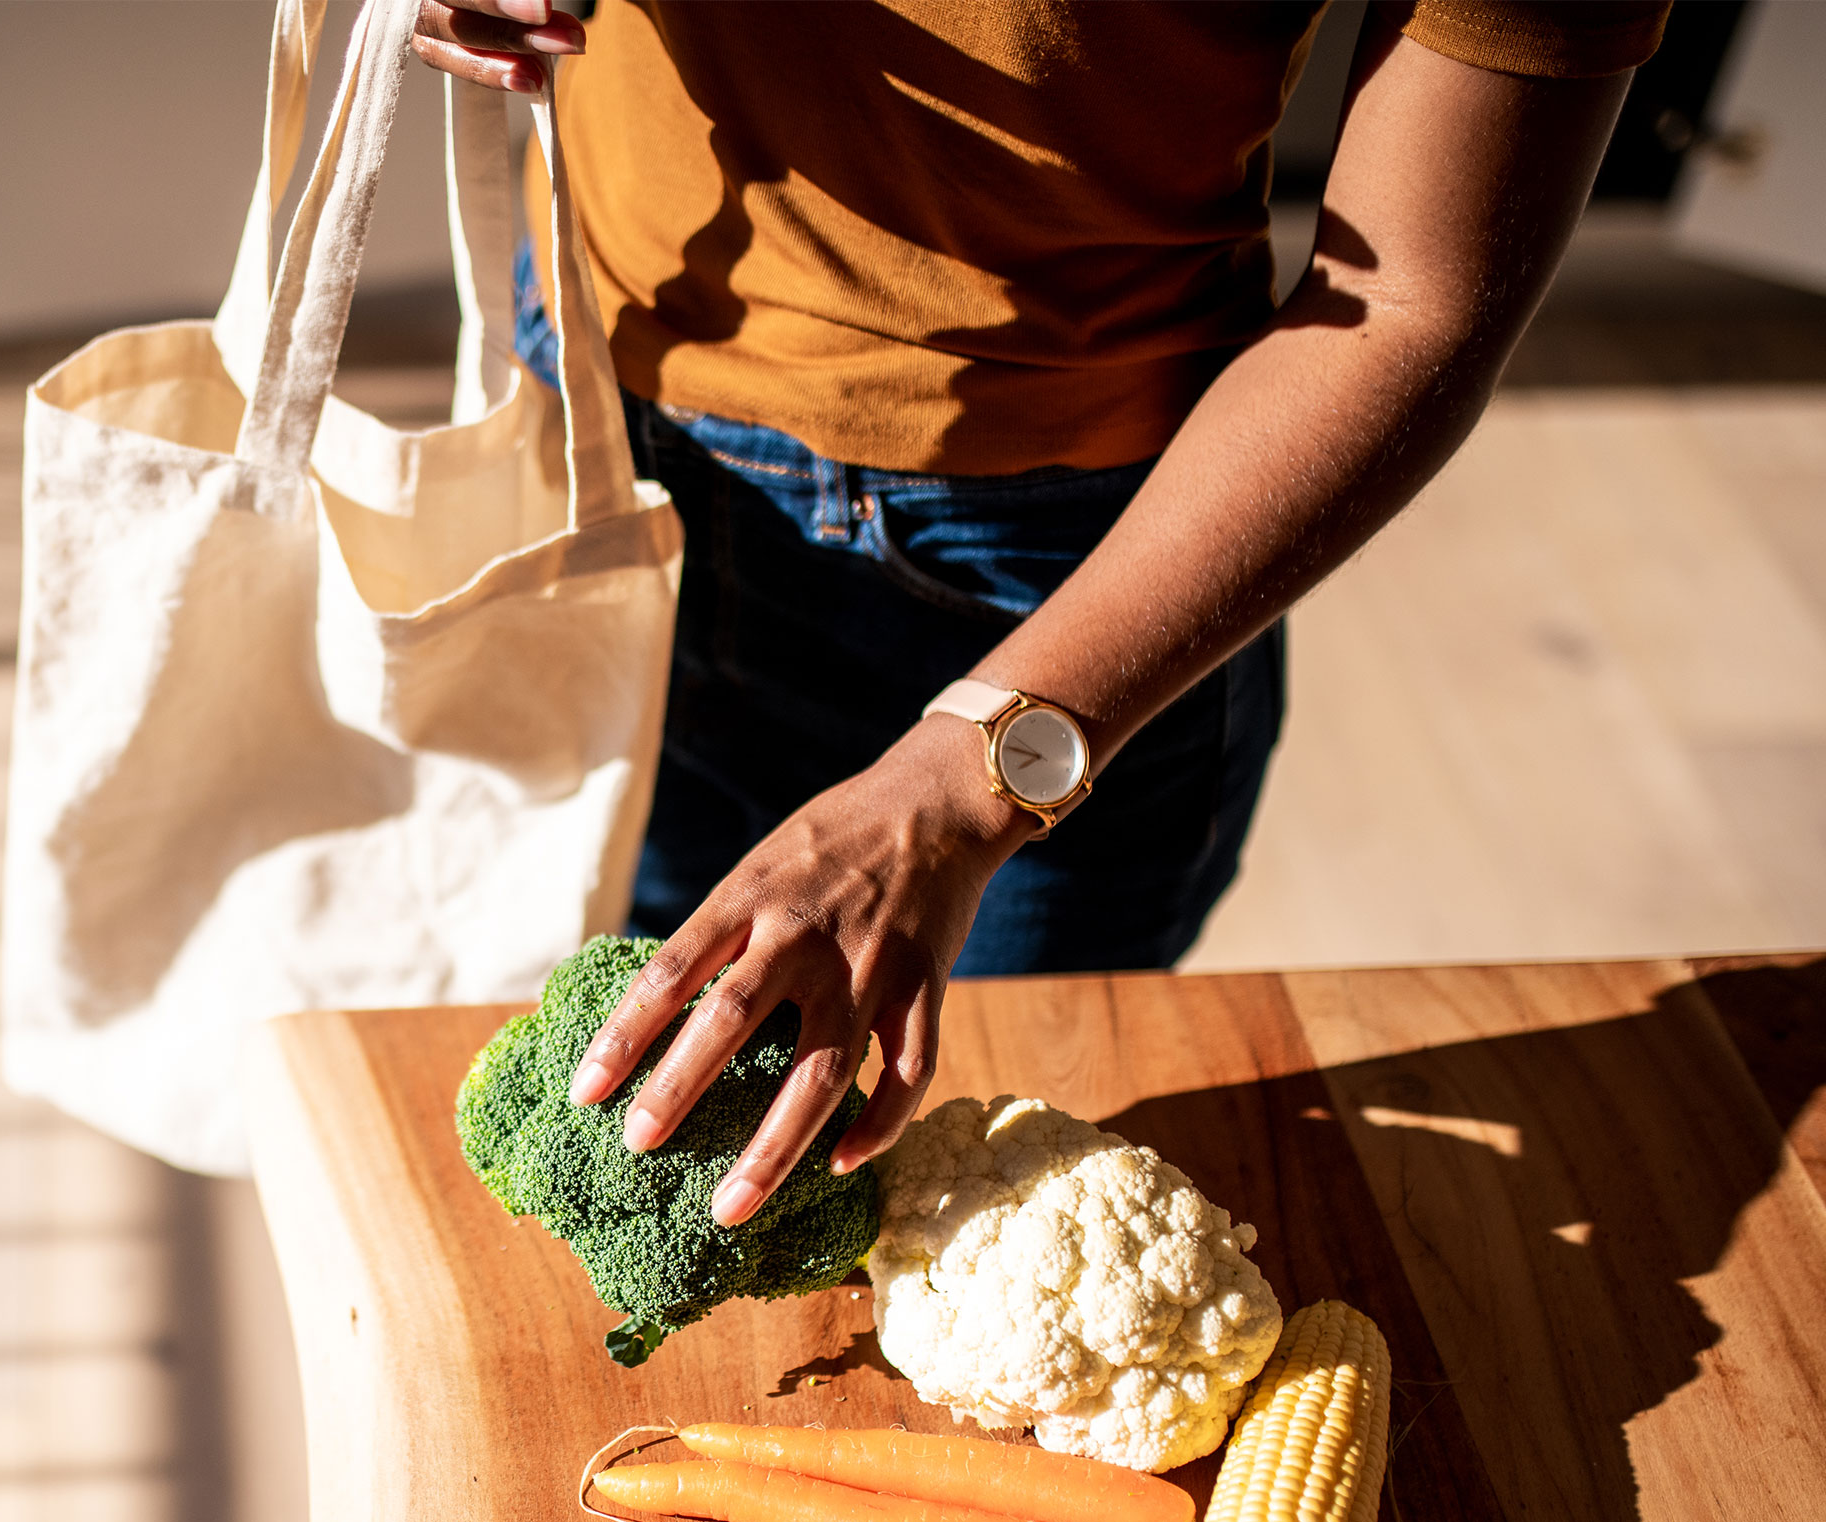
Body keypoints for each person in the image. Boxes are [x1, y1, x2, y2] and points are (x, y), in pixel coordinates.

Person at [412, 0, 1664, 1224]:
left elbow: (1407, 304)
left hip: (1082, 557)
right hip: (601, 417)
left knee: (991, 1163)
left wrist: (969, 787)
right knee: (646, 1080)